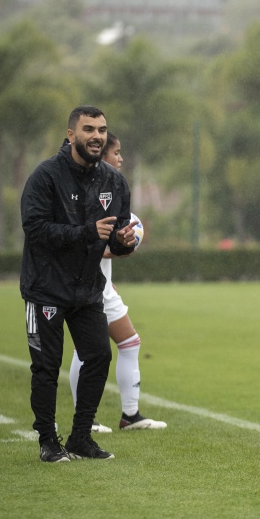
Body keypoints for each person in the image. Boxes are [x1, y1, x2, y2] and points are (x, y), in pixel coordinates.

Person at [20, 105, 139, 463]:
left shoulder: (114, 182)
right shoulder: (46, 177)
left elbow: (112, 239)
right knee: (46, 365)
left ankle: (80, 437)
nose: (97, 136)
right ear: (71, 135)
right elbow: (35, 230)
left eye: (102, 130)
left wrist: (122, 243)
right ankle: (47, 441)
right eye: (89, 129)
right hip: (46, 288)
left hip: (88, 289)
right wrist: (88, 232)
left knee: (99, 356)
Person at [69, 131, 167, 432]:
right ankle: (109, 417)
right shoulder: (90, 191)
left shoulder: (108, 189)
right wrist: (119, 247)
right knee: (113, 345)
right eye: (117, 152)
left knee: (120, 343)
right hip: (85, 284)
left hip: (100, 285)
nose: (121, 158)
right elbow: (85, 241)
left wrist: (120, 250)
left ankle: (125, 416)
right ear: (101, 155)